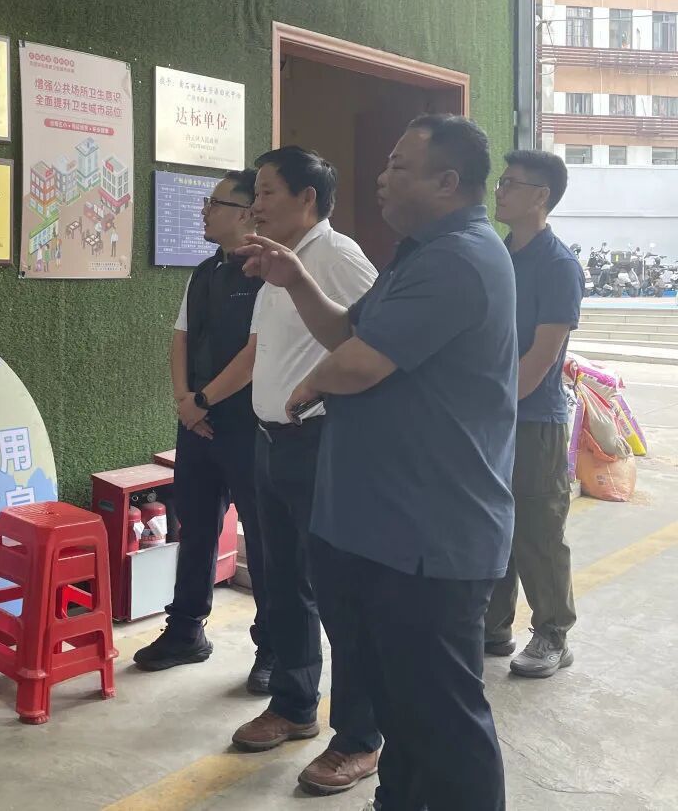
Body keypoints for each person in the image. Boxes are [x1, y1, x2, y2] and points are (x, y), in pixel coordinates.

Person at [239, 115, 516, 810]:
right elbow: (347, 330)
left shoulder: (460, 259)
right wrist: (296, 278)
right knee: (401, 707)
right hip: (380, 525)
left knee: (444, 720)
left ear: (447, 182)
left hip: (430, 535)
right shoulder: (419, 253)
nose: (382, 178)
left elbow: (359, 363)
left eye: (398, 166)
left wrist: (311, 382)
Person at [230, 147, 382, 799]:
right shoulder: (275, 261)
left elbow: (374, 345)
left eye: (267, 192)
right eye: (255, 194)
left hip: (321, 444)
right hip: (271, 444)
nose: (255, 205)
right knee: (283, 582)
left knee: (341, 593)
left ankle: (359, 738)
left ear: (307, 199)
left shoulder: (338, 257)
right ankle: (294, 705)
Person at [134, 171, 273, 691]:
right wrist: (184, 402)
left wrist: (204, 400)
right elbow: (181, 337)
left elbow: (257, 353)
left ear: (246, 212)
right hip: (196, 421)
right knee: (194, 528)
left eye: (215, 203)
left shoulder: (269, 272)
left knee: (264, 541)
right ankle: (186, 631)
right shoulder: (205, 270)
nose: (204, 211)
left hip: (247, 424)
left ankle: (273, 648)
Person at [485, 150, 583, 677]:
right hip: (491, 415)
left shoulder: (558, 266)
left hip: (534, 420)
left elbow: (542, 357)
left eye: (511, 184)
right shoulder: (499, 254)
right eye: (501, 182)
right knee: (494, 522)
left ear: (541, 197)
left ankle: (552, 633)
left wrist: (492, 409)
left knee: (538, 531)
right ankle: (492, 626)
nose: (499, 191)